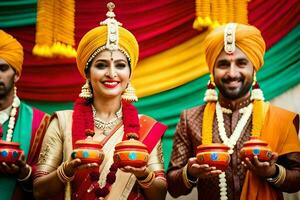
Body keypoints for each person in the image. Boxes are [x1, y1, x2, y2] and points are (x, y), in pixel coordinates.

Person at [33, 2, 167, 200]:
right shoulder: (62, 123)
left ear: (130, 74)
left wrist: (143, 174)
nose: (111, 74)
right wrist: (67, 169)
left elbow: (160, 195)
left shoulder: (145, 126)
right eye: (101, 65)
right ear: (87, 73)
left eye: (120, 65)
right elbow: (39, 192)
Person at [166, 23, 300, 200]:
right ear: (212, 71)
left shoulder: (278, 119)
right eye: (223, 64)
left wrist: (272, 171)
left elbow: (297, 179)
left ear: (254, 68)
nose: (232, 73)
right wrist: (190, 173)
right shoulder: (189, 119)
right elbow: (173, 188)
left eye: (241, 63)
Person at [0, 30, 50, 200]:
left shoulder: (40, 122)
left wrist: (24, 171)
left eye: (3, 68)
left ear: (17, 75)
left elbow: (48, 186)